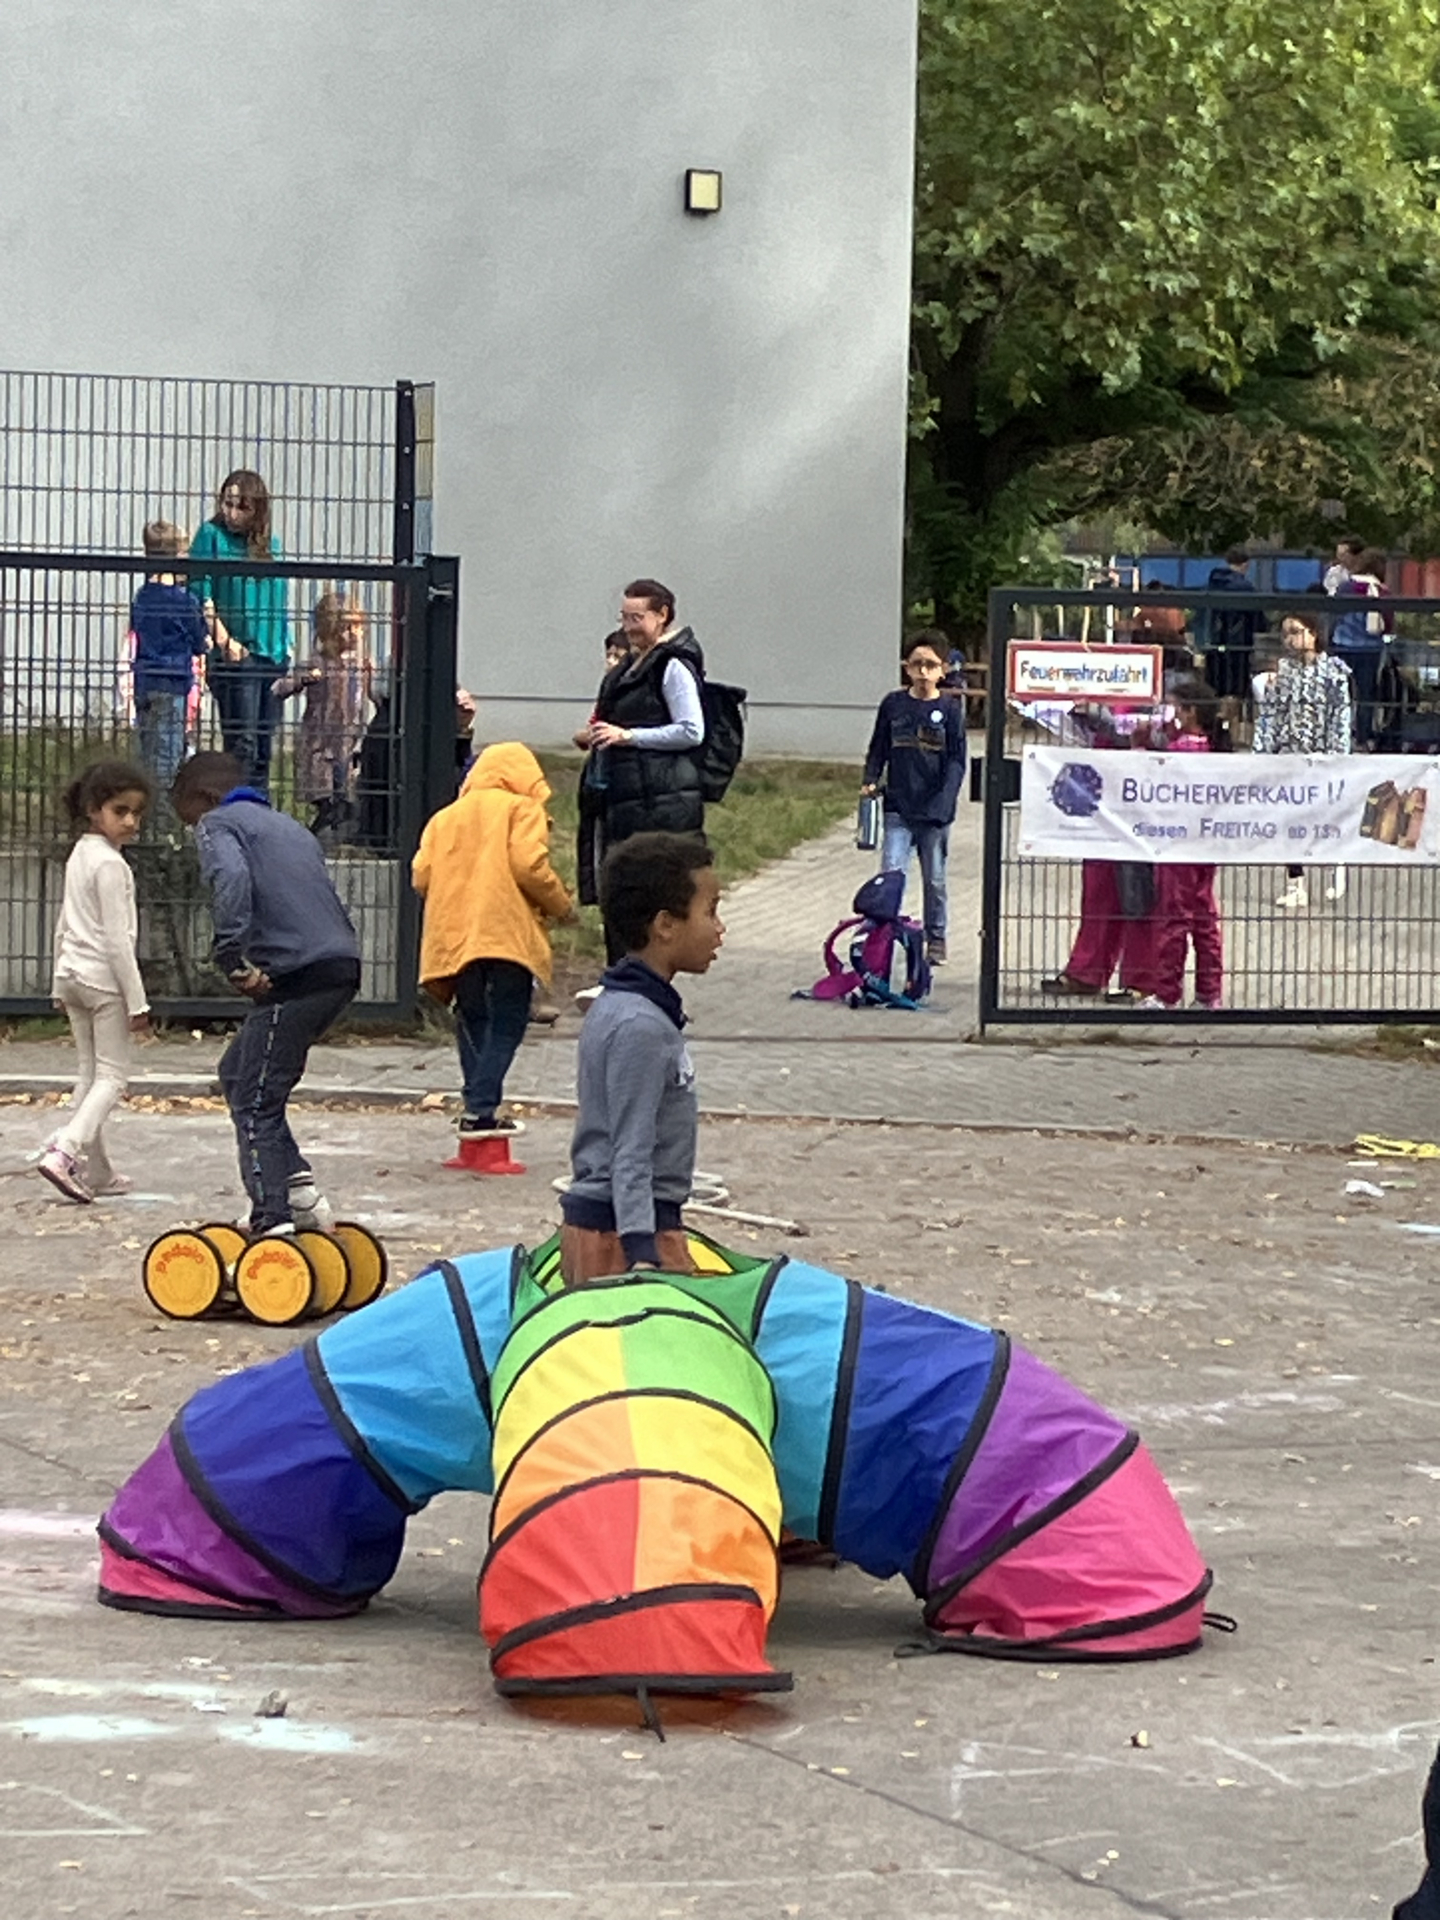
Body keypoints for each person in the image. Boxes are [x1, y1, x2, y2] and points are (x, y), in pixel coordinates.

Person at [171, 751, 360, 1236]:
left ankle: (271, 1217)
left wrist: (231, 957)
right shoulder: (288, 827)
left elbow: (231, 880)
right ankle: (296, 1188)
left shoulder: (218, 824)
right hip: (339, 965)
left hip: (296, 973)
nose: (192, 829)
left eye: (187, 817)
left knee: (256, 1101)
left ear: (203, 799)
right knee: (238, 1072)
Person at [559, 831, 724, 1284]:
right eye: (710, 911)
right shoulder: (640, 1026)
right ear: (665, 925)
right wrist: (642, 1253)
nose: (720, 928)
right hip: (627, 1235)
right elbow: (630, 1144)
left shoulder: (621, 1006)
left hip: (622, 1224)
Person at [412, 742, 573, 1138]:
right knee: (508, 1019)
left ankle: (476, 1106)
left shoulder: (444, 818)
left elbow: (421, 875)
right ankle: (481, 1106)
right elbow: (528, 865)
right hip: (505, 930)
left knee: (472, 1017)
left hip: (456, 935)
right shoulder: (522, 809)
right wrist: (560, 905)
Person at [37, 762, 153, 1203]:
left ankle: (99, 1170)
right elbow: (118, 940)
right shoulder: (110, 865)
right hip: (102, 981)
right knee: (112, 1078)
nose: (130, 822)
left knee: (89, 1073)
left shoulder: (80, 855)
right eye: (120, 811)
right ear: (92, 810)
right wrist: (137, 1002)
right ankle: (65, 1151)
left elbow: (64, 922)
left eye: (136, 813)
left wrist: (57, 980)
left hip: (72, 974)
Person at [574, 580, 707, 964]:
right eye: (624, 617)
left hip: (656, 804)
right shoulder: (632, 665)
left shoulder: (672, 666)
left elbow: (691, 730)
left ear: (662, 615)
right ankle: (623, 976)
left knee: (643, 902)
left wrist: (628, 736)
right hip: (625, 800)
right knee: (620, 897)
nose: (629, 627)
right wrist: (597, 736)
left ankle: (639, 981)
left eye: (637, 618)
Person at [860, 630, 967, 965]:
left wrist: (945, 800)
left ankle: (936, 937)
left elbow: (957, 761)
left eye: (930, 665)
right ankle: (881, 936)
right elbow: (878, 747)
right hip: (898, 808)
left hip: (934, 812)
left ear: (943, 670)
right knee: (891, 873)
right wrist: (870, 779)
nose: (923, 671)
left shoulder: (950, 709)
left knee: (935, 879)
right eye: (916, 664)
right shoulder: (893, 704)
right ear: (906, 667)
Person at [187, 470, 291, 787]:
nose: (232, 514)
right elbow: (200, 590)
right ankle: (237, 803)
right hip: (236, 654)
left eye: (241, 507)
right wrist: (224, 640)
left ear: (257, 509)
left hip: (271, 654)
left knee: (263, 746)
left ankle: (259, 806)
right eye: (227, 504)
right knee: (242, 745)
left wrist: (285, 644)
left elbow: (278, 599)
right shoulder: (210, 536)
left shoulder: (270, 544)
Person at [1254, 609, 1355, 910]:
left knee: (1325, 814)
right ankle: (1295, 883)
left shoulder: (1334, 672)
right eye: (1286, 633)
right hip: (1289, 755)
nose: (1290, 639)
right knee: (1289, 818)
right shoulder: (1283, 672)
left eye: (1296, 632)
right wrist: (1264, 751)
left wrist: (1337, 755)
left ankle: (1336, 863)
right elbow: (1271, 713)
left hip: (1322, 756)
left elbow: (1340, 716)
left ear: (1313, 634)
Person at [1139, 680, 1226, 1011]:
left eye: (1174, 708)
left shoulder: (1179, 753)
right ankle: (1209, 993)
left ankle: (1166, 992)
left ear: (1189, 713)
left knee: (1174, 917)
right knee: (1204, 917)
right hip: (1205, 844)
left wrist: (1139, 749)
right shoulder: (1212, 749)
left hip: (1177, 844)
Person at [271, 592, 374, 839]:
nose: (354, 634)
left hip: (349, 741)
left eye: (357, 627)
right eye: (345, 628)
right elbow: (279, 689)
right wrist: (305, 679)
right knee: (325, 794)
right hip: (320, 741)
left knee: (346, 795)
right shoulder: (318, 662)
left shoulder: (362, 664)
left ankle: (341, 832)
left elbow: (371, 696)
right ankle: (318, 831)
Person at [130, 522, 219, 790]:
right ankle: (161, 810)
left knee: (147, 750)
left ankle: (144, 803)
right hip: (173, 682)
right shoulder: (185, 601)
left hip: (145, 681)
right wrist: (205, 640)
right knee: (167, 757)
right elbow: (199, 641)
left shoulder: (142, 596)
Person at [1331, 545, 1391, 750]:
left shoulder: (1345, 588)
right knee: (1366, 694)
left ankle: (1340, 734)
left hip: (1343, 646)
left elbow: (1334, 615)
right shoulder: (1382, 591)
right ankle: (1362, 739)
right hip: (1369, 649)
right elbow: (1388, 624)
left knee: (1341, 693)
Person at [1196, 546, 1263, 703]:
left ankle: (1215, 716)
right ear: (1246, 564)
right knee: (1236, 691)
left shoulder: (1209, 586)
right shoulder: (1246, 589)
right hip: (1238, 647)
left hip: (1212, 646)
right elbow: (1258, 620)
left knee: (1214, 688)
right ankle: (1232, 717)